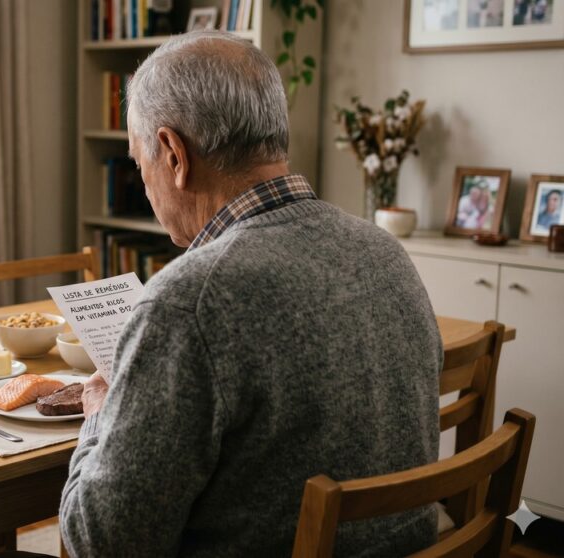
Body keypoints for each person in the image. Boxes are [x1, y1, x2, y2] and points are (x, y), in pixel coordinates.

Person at [59, 30, 442, 557]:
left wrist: (102, 415)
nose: (143, 183)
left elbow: (102, 544)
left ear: (173, 154)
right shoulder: (384, 252)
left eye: (137, 161)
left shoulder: (187, 302)